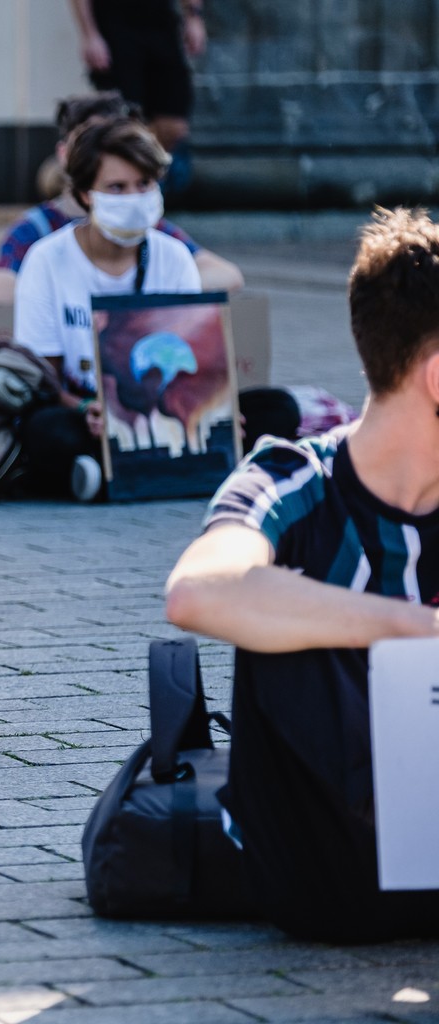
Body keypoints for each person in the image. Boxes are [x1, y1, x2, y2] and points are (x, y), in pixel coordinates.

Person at [164, 206, 439, 943]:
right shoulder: (292, 477)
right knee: (283, 606)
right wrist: (414, 628)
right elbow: (196, 592)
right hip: (328, 877)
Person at [14, 116, 201, 501]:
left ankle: (101, 474)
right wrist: (87, 408)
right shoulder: (47, 260)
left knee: (275, 409)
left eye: (144, 185)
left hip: (161, 411)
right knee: (45, 430)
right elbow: (44, 379)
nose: (134, 199)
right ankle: (134, 467)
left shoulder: (175, 258)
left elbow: (190, 359)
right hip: (85, 414)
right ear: (85, 194)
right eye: (117, 188)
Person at [0, 92, 241, 306]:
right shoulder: (38, 232)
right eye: (89, 142)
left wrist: (139, 299)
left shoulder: (152, 233)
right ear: (64, 153)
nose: (109, 152)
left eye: (142, 183)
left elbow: (225, 274)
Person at [69, 0, 205, 191]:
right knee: (124, 121)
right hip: (115, 24)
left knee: (174, 125)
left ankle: (146, 183)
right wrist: (90, 34)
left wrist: (193, 16)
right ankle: (128, 188)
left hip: (161, 21)